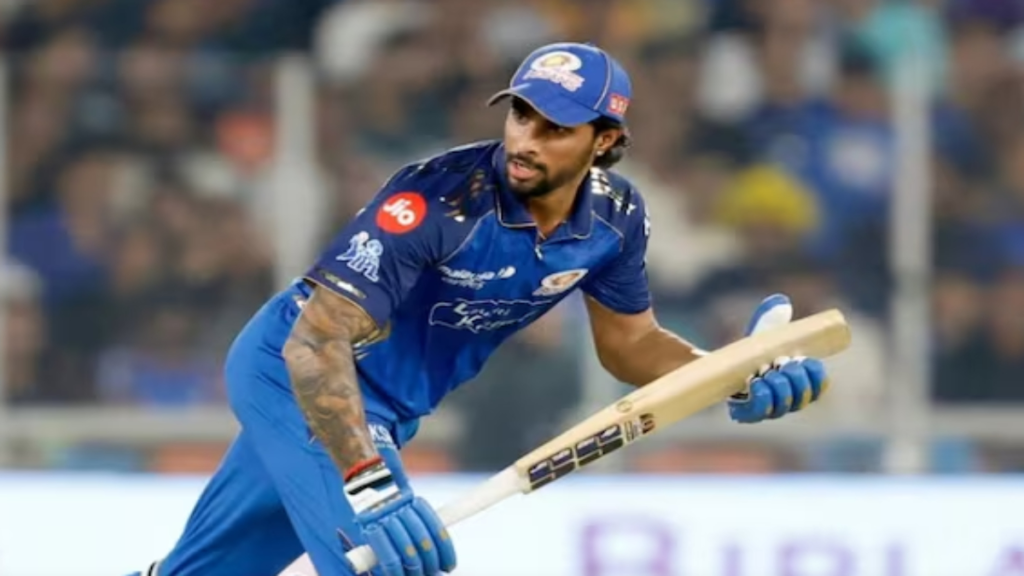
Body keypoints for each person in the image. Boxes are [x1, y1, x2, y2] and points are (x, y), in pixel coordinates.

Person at [130, 42, 829, 576]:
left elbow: (631, 345)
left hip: (388, 408)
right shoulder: (436, 198)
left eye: (556, 127)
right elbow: (314, 345)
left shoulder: (616, 217)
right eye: (522, 113)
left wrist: (730, 376)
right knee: (383, 565)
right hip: (298, 375)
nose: (525, 139)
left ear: (605, 141)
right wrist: (369, 483)